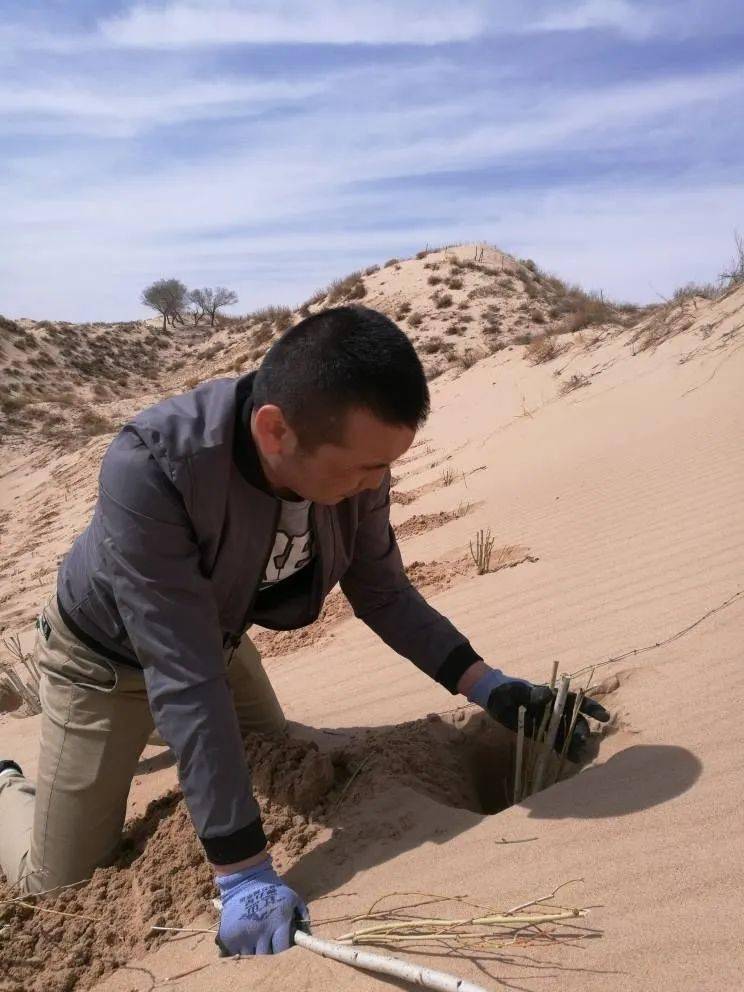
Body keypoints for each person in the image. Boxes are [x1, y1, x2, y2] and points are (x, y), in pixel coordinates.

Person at [0, 305, 608, 955]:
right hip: (104, 663)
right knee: (56, 880)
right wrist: (241, 874)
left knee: (275, 757)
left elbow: (382, 590)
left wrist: (489, 686)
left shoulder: (354, 459)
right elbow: (182, 675)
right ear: (275, 431)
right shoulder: (153, 465)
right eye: (365, 468)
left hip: (216, 642)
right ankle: (7, 783)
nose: (377, 484)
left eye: (387, 466)